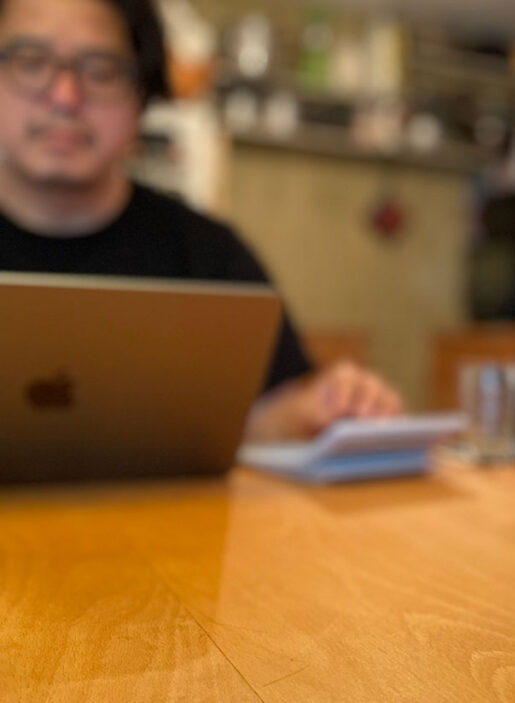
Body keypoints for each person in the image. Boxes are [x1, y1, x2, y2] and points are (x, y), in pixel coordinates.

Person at [0, 0, 403, 441]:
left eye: (101, 70)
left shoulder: (207, 253)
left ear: (143, 95)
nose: (65, 97)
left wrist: (329, 406)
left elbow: (271, 412)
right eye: (30, 62)